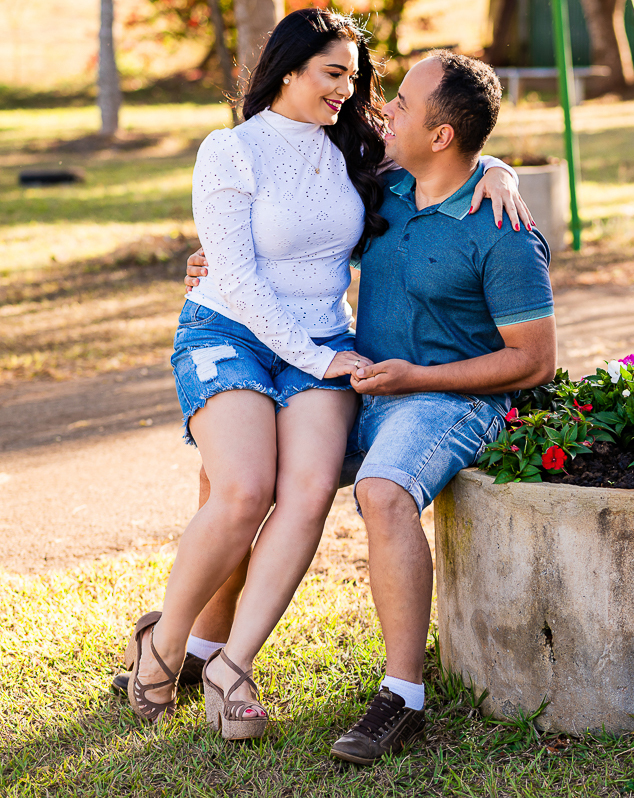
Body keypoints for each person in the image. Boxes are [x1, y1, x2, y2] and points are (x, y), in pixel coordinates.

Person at [121, 10, 529, 741]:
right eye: (333, 74)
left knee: (308, 492)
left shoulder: (356, 147)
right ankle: (165, 642)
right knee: (243, 489)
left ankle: (232, 666)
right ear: (288, 70)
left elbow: (450, 149)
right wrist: (317, 357)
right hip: (233, 333)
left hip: (322, 341)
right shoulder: (229, 151)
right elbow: (240, 283)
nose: (349, 91)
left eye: (354, 77)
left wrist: (501, 168)